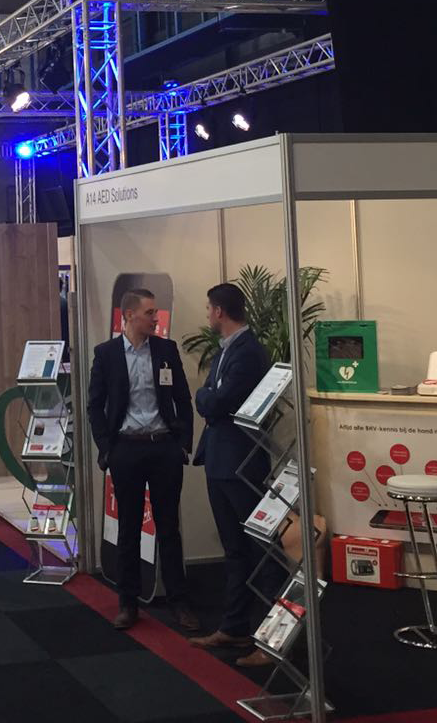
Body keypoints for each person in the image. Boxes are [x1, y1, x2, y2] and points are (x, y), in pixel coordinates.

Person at [86, 287, 199, 632]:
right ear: (129, 315)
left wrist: (182, 445)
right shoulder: (106, 354)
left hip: (164, 448)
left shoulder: (166, 350)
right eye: (149, 312)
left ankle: (179, 602)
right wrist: (106, 449)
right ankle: (128, 602)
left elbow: (182, 398)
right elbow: (95, 405)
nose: (155, 318)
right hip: (126, 450)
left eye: (156, 312)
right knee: (129, 528)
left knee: (169, 528)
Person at [187, 283, 275, 660]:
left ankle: (271, 638)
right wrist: (208, 397)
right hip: (221, 461)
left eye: (209, 308)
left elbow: (216, 400)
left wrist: (207, 397)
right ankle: (235, 628)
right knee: (234, 549)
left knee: (259, 550)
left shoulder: (249, 352)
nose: (207, 314)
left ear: (220, 311)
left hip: (241, 463)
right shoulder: (228, 350)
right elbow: (209, 396)